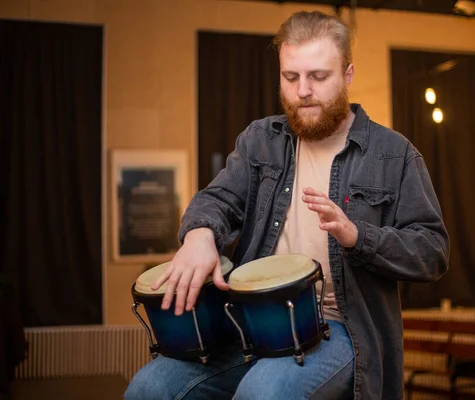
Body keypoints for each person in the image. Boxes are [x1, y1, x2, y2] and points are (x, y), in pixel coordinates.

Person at [125, 10, 449, 400]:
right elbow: (217, 199)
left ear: (348, 74)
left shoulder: (394, 154)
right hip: (251, 321)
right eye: (291, 77)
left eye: (318, 76)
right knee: (149, 387)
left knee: (263, 392)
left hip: (340, 328)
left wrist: (357, 236)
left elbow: (432, 250)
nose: (303, 90)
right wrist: (199, 235)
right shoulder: (260, 139)